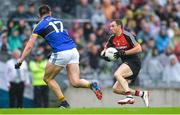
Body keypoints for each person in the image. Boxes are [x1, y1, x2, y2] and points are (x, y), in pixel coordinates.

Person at [14, 5, 102, 108]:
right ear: (50, 13)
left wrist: (20, 60)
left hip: (61, 52)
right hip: (73, 50)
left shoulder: (39, 25)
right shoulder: (58, 21)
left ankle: (64, 103)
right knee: (75, 81)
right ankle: (92, 85)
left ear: (39, 15)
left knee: (47, 78)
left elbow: (29, 46)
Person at [100, 19, 149, 106]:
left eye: (113, 26)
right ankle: (142, 94)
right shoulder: (112, 38)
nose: (110, 28)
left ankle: (129, 97)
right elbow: (105, 50)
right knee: (116, 89)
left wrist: (124, 52)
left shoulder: (128, 35)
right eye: (110, 26)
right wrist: (104, 55)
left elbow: (139, 48)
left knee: (117, 74)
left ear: (119, 27)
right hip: (126, 63)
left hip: (134, 62)